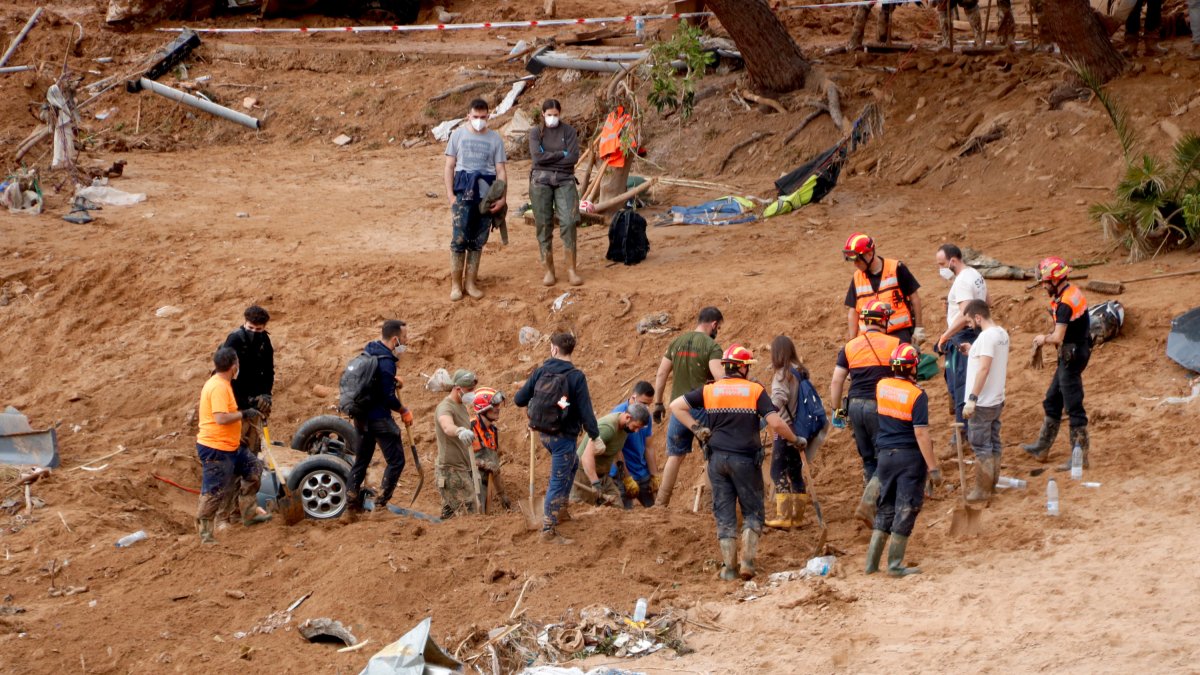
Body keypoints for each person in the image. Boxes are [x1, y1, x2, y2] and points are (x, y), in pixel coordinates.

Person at [670, 344, 806, 582]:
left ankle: (729, 568)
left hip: (716, 460)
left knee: (724, 514)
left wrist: (698, 429)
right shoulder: (754, 390)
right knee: (753, 511)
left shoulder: (710, 389)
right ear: (742, 368)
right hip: (745, 460)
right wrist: (795, 439)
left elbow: (676, 406)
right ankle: (748, 563)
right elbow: (775, 423)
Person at [514, 332, 601, 544]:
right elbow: (586, 411)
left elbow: (519, 399)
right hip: (564, 437)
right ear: (571, 350)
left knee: (571, 465)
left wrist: (540, 404)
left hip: (545, 434)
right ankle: (548, 530)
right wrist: (595, 435)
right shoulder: (576, 377)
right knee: (558, 478)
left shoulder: (541, 371)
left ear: (553, 349)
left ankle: (561, 512)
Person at [865, 343, 942, 577]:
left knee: (885, 506)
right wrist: (934, 467)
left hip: (885, 457)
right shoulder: (917, 395)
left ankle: (871, 564)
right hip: (909, 458)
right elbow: (921, 433)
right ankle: (895, 564)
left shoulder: (882, 386)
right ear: (912, 368)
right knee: (907, 508)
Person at [829, 300, 902, 527]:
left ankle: (875, 507)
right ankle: (869, 502)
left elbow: (836, 380)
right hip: (880, 405)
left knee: (868, 458)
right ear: (883, 320)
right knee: (887, 457)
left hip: (855, 406)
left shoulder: (850, 347)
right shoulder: (896, 343)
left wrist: (837, 411)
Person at [195, 347, 271, 544]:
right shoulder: (219, 387)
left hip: (230, 445)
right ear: (233, 366)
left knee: (254, 469)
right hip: (215, 447)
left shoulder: (224, 383)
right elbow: (220, 418)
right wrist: (244, 414)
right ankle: (205, 535)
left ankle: (249, 513)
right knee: (213, 490)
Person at [1022, 257, 1091, 470]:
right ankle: (1042, 447)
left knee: (1073, 405)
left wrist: (1043, 338)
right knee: (1053, 399)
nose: (1043, 286)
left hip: (1072, 355)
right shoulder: (1071, 292)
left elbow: (1058, 336)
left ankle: (1080, 457)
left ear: (1055, 280)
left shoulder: (1064, 304)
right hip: (1073, 352)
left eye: (1045, 282)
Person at [652, 306, 724, 507]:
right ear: (714, 324)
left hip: (678, 408)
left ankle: (660, 503)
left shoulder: (676, 342)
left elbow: (661, 374)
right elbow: (719, 377)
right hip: (702, 408)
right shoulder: (712, 346)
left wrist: (658, 403)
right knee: (711, 454)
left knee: (674, 456)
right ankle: (711, 505)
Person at [346, 320, 414, 515]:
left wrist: (391, 381)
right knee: (396, 461)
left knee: (361, 460)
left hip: (361, 419)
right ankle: (381, 506)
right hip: (379, 419)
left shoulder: (368, 353)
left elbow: (375, 383)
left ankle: (350, 507)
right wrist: (403, 410)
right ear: (395, 339)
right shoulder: (386, 363)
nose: (406, 341)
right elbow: (387, 398)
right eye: (404, 338)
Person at [443, 97, 507, 301]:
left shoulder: (495, 139)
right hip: (463, 189)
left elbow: (501, 170)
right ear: (467, 116)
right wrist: (451, 195)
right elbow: (449, 166)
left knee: (478, 238)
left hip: (486, 194)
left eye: (483, 117)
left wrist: (503, 197)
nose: (479, 120)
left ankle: (470, 282)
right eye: (475, 117)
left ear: (488, 116)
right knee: (459, 236)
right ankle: (456, 284)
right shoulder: (457, 135)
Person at [765, 335, 826, 530]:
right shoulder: (800, 372)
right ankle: (798, 516)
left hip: (786, 428)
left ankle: (783, 515)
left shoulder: (782, 375)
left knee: (777, 471)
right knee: (795, 471)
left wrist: (766, 409)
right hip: (801, 427)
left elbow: (779, 400)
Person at [935, 244, 988, 437]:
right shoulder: (976, 275)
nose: (941, 269)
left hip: (963, 336)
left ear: (953, 261)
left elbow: (966, 314)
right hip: (975, 332)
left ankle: (962, 435)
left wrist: (946, 334)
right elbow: (986, 303)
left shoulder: (963, 282)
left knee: (960, 386)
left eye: (942, 264)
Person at [528, 98, 582, 287]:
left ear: (560, 113)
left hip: (565, 179)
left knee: (569, 221)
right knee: (543, 224)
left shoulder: (568, 131)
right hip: (540, 180)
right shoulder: (536, 132)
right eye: (549, 114)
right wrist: (561, 154)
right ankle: (548, 270)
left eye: (555, 114)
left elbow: (574, 157)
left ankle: (571, 269)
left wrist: (548, 159)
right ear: (543, 114)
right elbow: (537, 158)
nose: (552, 118)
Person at [960, 300, 1009, 503]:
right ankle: (992, 484)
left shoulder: (987, 337)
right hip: (996, 398)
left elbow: (984, 368)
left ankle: (983, 489)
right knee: (994, 442)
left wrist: (972, 398)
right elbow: (988, 359)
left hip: (983, 402)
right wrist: (973, 350)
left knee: (981, 444)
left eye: (971, 321)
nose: (970, 325)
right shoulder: (1001, 334)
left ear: (978, 317)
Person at [842, 233, 924, 345]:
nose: (855, 264)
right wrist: (852, 341)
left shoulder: (897, 269)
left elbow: (914, 298)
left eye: (857, 260)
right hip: (869, 339)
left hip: (898, 335)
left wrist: (919, 328)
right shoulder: (857, 278)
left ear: (870, 254)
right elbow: (853, 311)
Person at [571, 405, 651, 506]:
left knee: (617, 508)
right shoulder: (608, 428)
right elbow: (586, 456)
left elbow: (615, 448)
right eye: (635, 427)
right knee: (584, 512)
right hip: (584, 474)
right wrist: (595, 483)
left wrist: (624, 474)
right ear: (627, 417)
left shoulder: (625, 427)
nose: (636, 431)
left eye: (639, 428)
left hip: (603, 475)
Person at [221, 304, 274, 456]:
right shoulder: (234, 339)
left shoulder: (265, 341)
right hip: (235, 399)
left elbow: (269, 371)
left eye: (258, 330)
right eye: (250, 328)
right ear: (245, 323)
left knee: (253, 446)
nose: (254, 332)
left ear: (264, 327)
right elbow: (226, 377)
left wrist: (266, 395)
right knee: (235, 445)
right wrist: (245, 401)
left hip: (256, 398)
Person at [434, 369, 480, 518]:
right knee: (470, 512)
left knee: (450, 515)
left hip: (461, 468)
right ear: (458, 388)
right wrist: (459, 430)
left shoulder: (461, 406)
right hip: (451, 470)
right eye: (469, 390)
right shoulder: (445, 407)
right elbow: (447, 426)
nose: (472, 393)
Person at [610, 381, 658, 508]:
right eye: (644, 403)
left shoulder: (645, 415)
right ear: (633, 397)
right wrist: (627, 478)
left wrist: (654, 475)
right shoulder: (619, 414)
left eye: (649, 404)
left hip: (641, 472)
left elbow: (648, 447)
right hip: (622, 475)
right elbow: (616, 450)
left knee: (655, 511)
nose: (647, 407)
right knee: (625, 516)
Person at [470, 386, 512, 512]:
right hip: (468, 483)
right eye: (494, 406)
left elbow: (494, 467)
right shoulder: (470, 428)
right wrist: (482, 463)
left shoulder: (492, 432)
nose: (498, 409)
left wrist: (501, 494)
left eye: (498, 405)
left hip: (484, 484)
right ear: (483, 408)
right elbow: (459, 460)